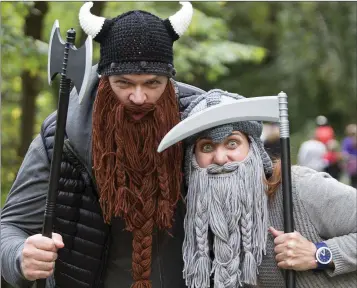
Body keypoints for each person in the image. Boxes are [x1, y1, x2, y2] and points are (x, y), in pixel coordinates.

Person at [1, 2, 205, 288]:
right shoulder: (61, 135)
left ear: (169, 79)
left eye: (152, 83)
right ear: (104, 79)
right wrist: (20, 256)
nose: (138, 97)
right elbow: (10, 227)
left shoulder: (203, 127)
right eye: (124, 83)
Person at [168, 90, 356, 287]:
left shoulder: (299, 187)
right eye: (206, 147)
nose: (220, 158)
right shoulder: (197, 221)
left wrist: (319, 254)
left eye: (232, 143)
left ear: (254, 149)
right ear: (192, 159)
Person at [341, 124, 357, 188]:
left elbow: (344, 153)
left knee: (352, 183)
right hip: (352, 163)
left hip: (351, 163)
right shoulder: (347, 140)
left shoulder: (346, 140)